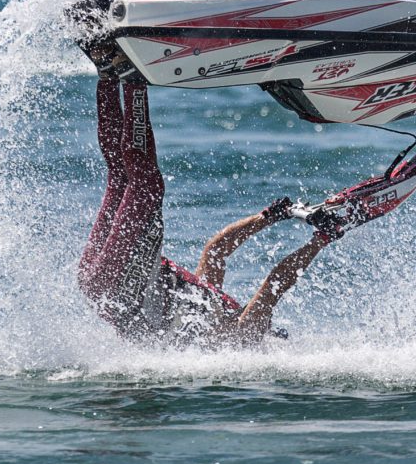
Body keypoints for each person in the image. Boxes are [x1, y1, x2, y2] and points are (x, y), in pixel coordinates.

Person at [78, 51, 336, 346]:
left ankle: (132, 80)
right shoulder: (209, 307)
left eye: (270, 329)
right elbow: (217, 250)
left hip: (123, 284)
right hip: (101, 284)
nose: (269, 325)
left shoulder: (240, 339)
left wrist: (319, 241)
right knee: (121, 177)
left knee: (146, 186)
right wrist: (270, 216)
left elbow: (272, 288)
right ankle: (106, 70)